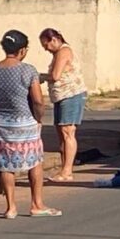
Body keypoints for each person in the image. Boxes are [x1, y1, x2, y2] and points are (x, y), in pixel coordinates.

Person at [0, 30, 61, 218]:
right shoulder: (28, 71)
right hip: (25, 122)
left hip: (0, 124)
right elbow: (38, 101)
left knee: (5, 164)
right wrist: (39, 119)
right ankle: (36, 204)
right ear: (23, 50)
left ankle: (11, 208)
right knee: (35, 162)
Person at [39, 28, 87, 183]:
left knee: (68, 132)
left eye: (46, 45)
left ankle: (67, 171)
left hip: (70, 95)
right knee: (61, 133)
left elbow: (55, 75)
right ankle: (64, 169)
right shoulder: (58, 53)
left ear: (54, 40)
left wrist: (40, 76)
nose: (45, 49)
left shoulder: (63, 51)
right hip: (61, 97)